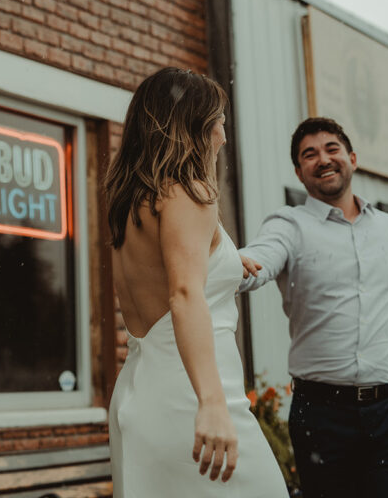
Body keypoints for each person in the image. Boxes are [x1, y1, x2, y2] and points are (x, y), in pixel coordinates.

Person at [239, 115, 388, 498]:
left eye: (331, 148)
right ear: (299, 172)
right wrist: (234, 264)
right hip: (321, 417)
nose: (323, 159)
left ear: (352, 158)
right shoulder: (289, 225)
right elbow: (258, 260)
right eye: (309, 154)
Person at [105, 67, 287, 497]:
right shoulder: (190, 192)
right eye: (219, 122)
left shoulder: (132, 199)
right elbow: (185, 294)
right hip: (192, 397)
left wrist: (226, 260)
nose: (223, 136)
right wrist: (211, 405)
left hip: (141, 392)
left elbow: (174, 270)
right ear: (193, 126)